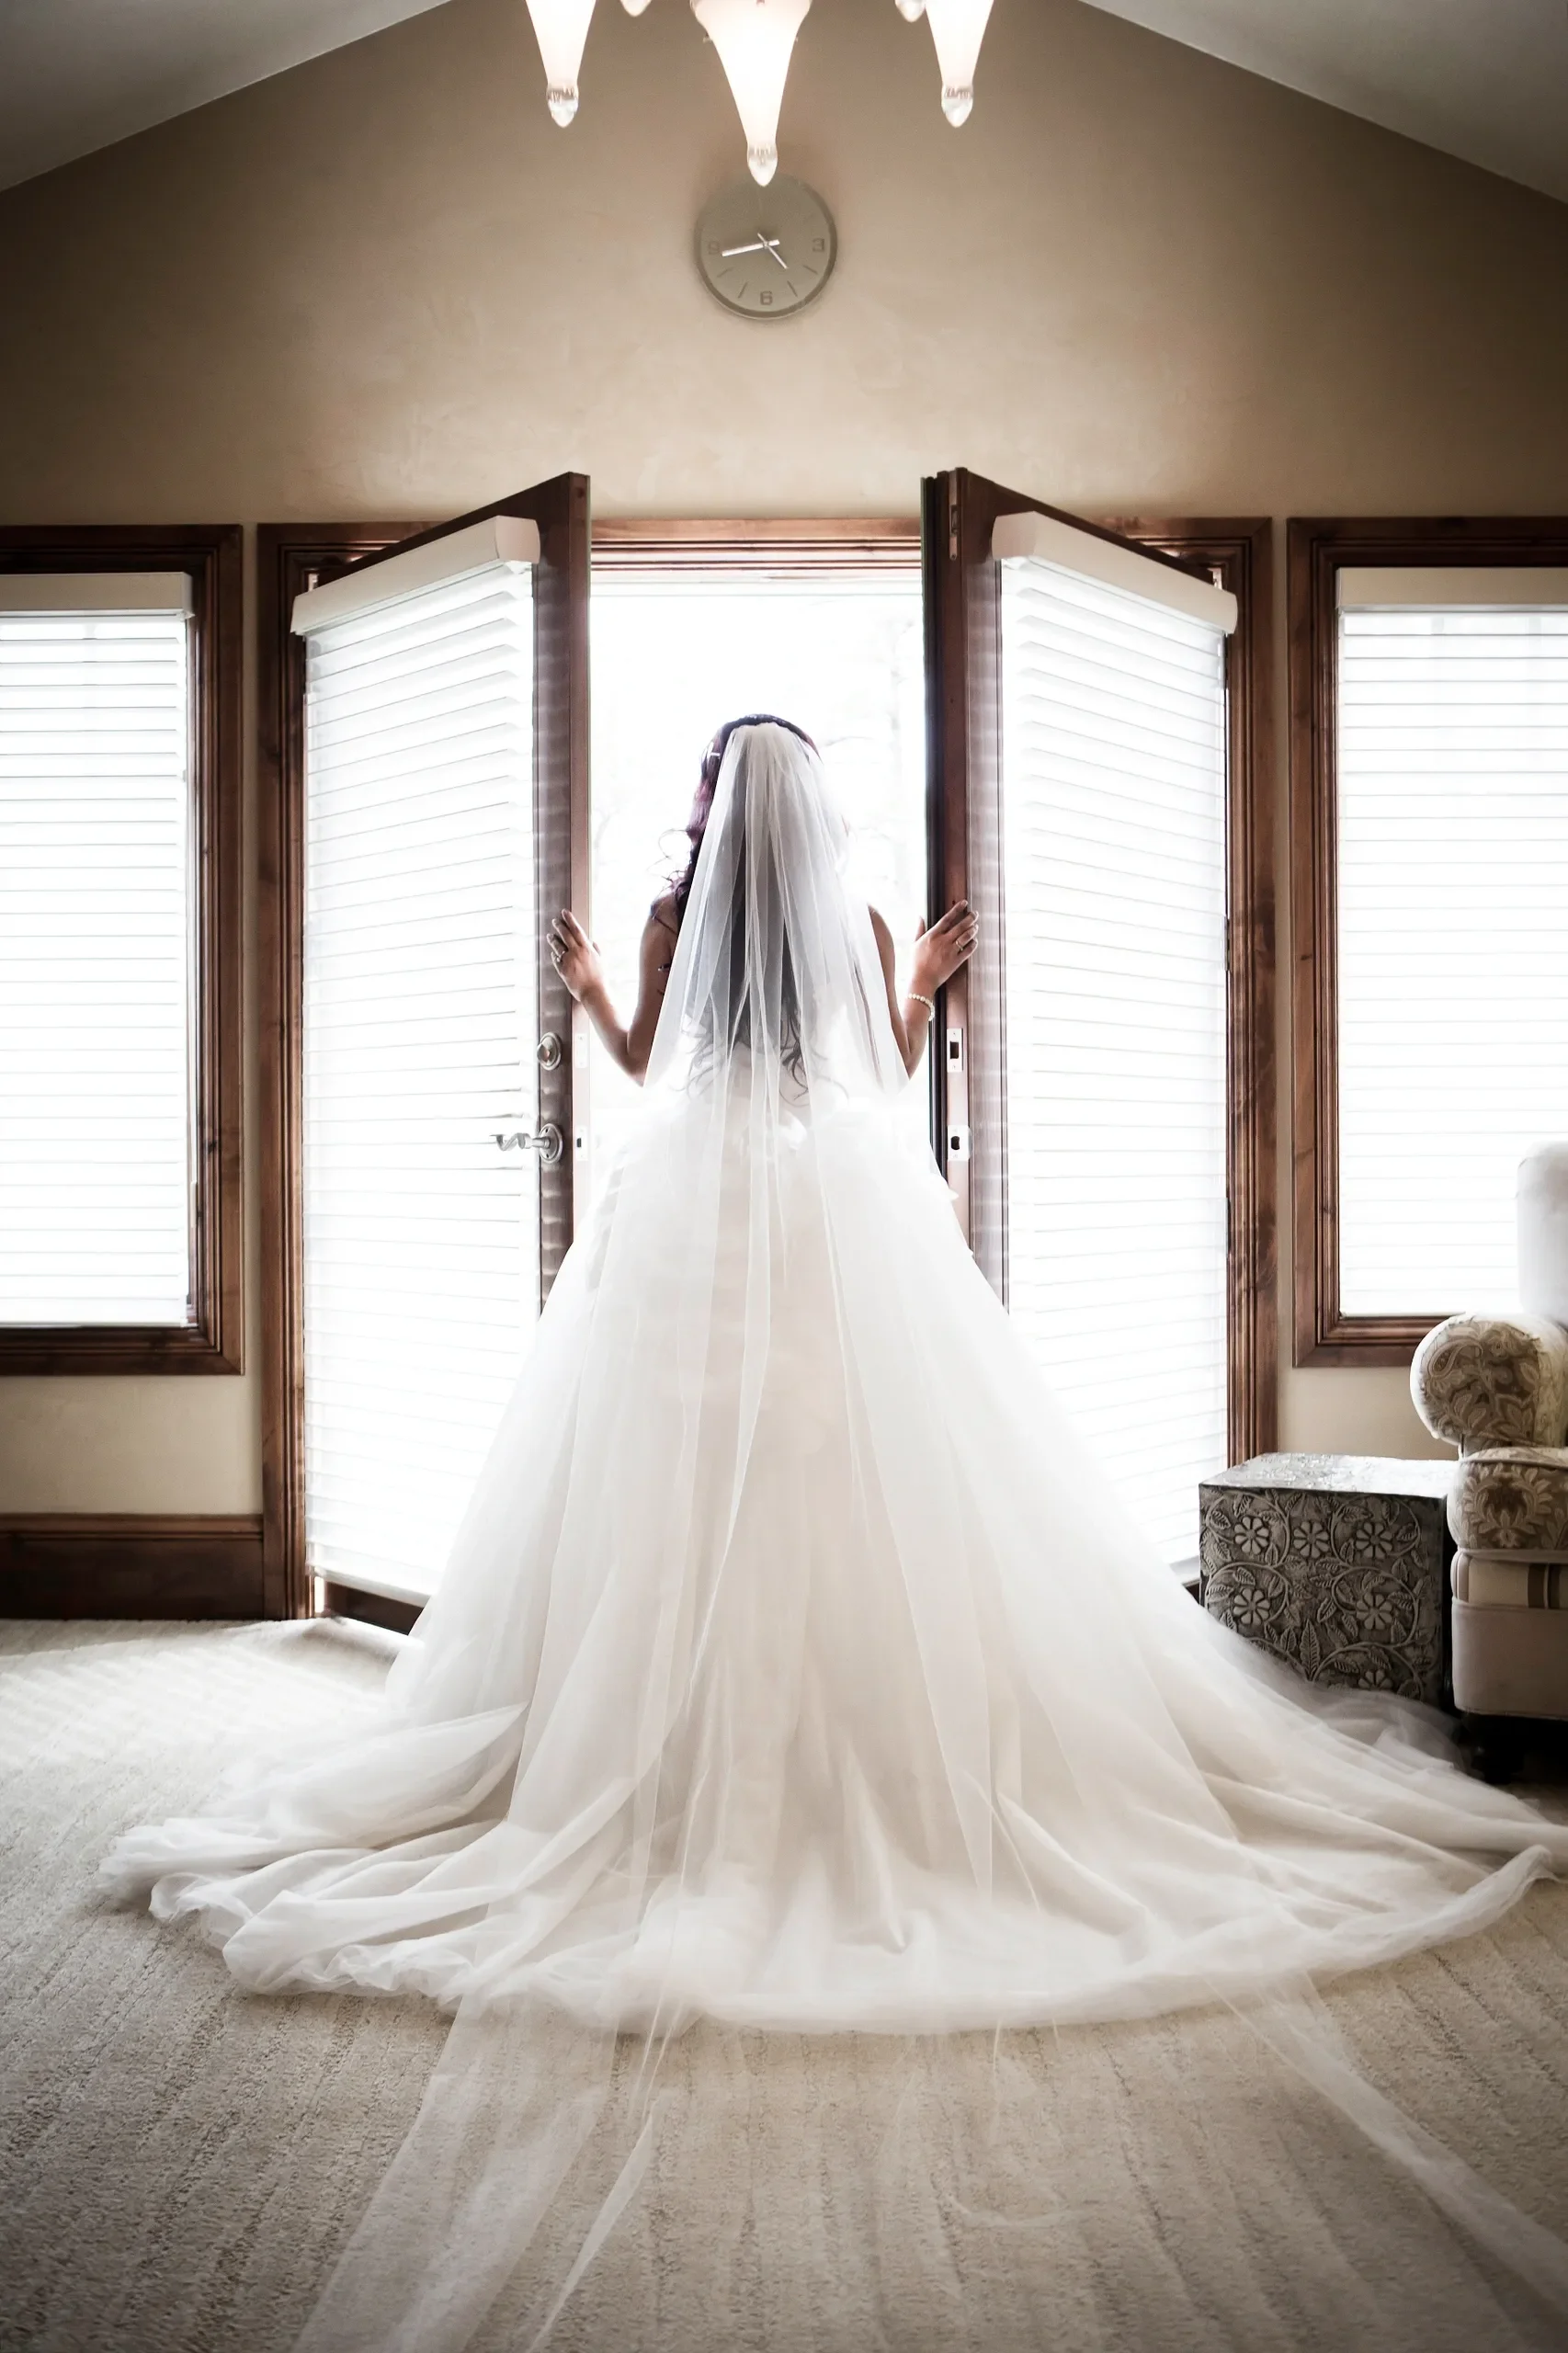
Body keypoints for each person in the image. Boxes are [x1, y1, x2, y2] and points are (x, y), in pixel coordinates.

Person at [103, 719, 1568, 2348]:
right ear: (817, 824)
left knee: (667, 1493)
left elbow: (660, 1076)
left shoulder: (669, 922)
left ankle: (661, 1748)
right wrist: (918, 996)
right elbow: (865, 1081)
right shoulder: (861, 929)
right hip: (826, 1218)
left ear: (713, 815)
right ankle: (863, 1747)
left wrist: (599, 998)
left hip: (693, 1221)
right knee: (846, 1477)